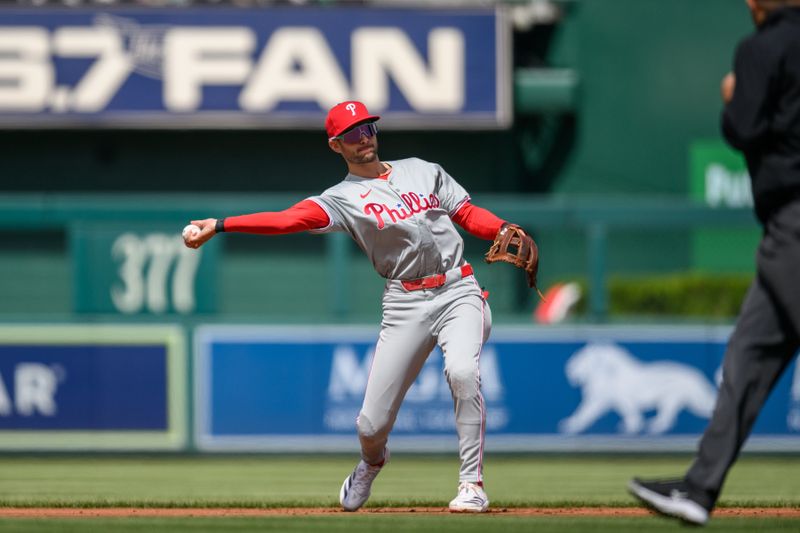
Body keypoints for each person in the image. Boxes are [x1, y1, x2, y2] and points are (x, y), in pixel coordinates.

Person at [184, 100, 531, 513]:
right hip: (404, 302)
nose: (363, 139)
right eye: (351, 134)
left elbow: (467, 213)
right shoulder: (341, 198)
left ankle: (471, 484)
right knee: (370, 425)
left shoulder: (424, 169)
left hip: (459, 289)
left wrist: (503, 228)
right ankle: (371, 461)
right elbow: (286, 220)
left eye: (368, 129)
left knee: (461, 371)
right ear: (336, 145)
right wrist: (222, 224)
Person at [628, 0, 800, 526]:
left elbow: (743, 127)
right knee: (747, 356)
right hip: (786, 231)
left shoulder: (762, 47)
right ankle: (699, 489)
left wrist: (731, 98)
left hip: (794, 222)